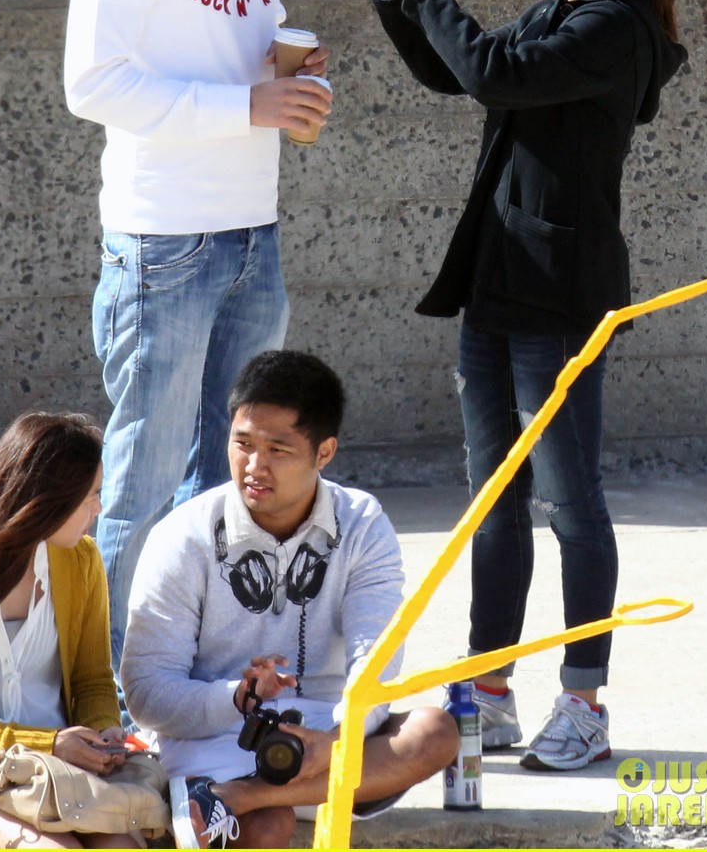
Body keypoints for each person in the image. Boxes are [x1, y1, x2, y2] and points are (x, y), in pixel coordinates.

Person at [370, 0, 687, 771]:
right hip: (497, 283)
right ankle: (490, 686)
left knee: (571, 502)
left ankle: (583, 699)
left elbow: (494, 75)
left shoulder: (614, 26)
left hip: (561, 296)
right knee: (492, 498)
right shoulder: (566, 7)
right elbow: (458, 69)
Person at [63, 0, 333, 677]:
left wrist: (285, 73)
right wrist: (248, 107)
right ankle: (107, 695)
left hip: (250, 228)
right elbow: (91, 83)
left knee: (229, 482)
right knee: (138, 487)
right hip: (165, 238)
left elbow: (230, 40)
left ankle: (187, 675)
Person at [120, 350, 459, 849]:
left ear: (324, 452)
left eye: (278, 449)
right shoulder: (183, 536)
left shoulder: (362, 521)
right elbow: (147, 693)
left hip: (327, 738)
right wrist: (235, 696)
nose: (254, 466)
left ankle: (239, 797)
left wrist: (337, 741)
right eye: (242, 444)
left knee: (437, 732)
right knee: (271, 828)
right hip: (212, 739)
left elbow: (377, 665)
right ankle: (242, 800)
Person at [0, 412, 139, 849]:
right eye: (90, 496)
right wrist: (46, 744)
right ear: (46, 501)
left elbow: (94, 679)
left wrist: (104, 730)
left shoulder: (81, 560)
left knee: (120, 844)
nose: (98, 509)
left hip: (64, 774)